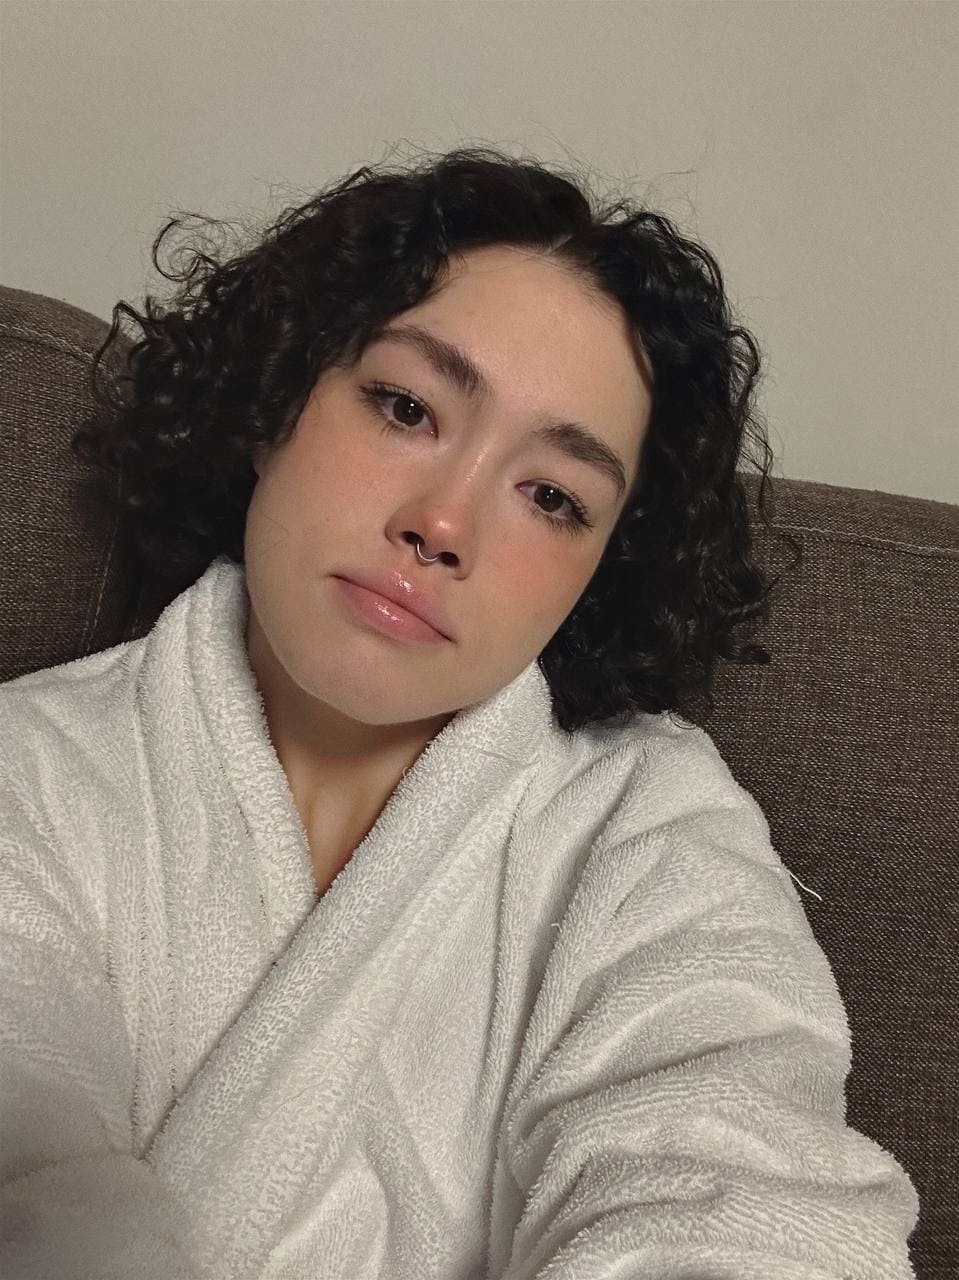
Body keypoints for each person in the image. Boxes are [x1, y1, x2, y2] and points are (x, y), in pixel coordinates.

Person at [0, 145, 919, 1277]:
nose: (442, 523)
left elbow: (734, 1182)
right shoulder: (27, 770)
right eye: (405, 406)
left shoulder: (648, 826)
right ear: (275, 399)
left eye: (552, 496)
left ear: (602, 569)